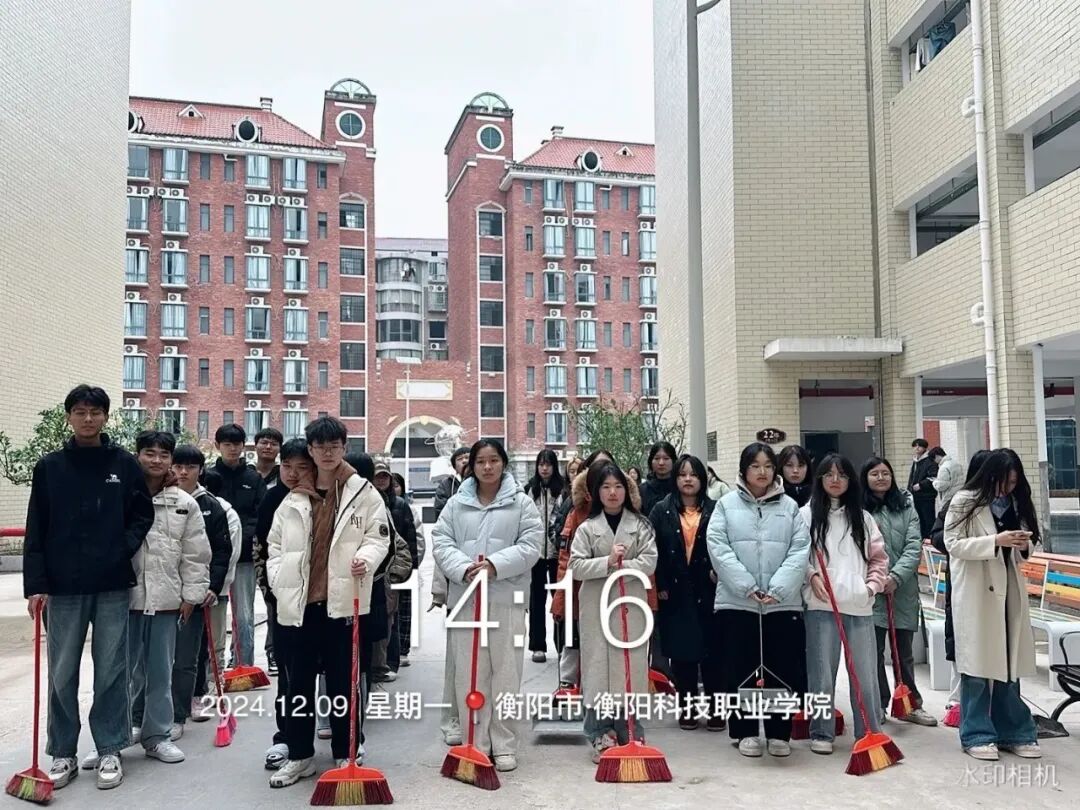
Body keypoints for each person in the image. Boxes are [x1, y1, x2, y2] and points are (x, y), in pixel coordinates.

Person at [23, 385, 153, 791]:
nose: (88, 419)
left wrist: (121, 548)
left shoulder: (123, 464)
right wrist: (35, 585)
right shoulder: (50, 467)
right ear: (69, 417)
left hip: (111, 583)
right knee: (61, 672)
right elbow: (36, 526)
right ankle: (63, 752)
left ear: (105, 417)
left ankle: (110, 748)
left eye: (95, 412)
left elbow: (142, 513)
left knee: (112, 670)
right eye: (80, 412)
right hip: (63, 586)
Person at [266, 417, 390, 788]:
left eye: (334, 446)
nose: (327, 453)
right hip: (299, 606)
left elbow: (378, 537)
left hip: (343, 605)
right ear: (311, 449)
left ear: (344, 447)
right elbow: (274, 545)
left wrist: (366, 559)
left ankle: (345, 752)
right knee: (298, 685)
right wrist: (279, 580)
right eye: (320, 446)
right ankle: (300, 755)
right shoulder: (294, 496)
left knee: (343, 684)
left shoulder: (363, 491)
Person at [432, 439, 542, 773]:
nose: (487, 467)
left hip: (506, 599)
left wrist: (494, 565)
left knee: (506, 672)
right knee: (469, 674)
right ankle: (475, 742)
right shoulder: (456, 504)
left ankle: (504, 742)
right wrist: (464, 567)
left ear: (504, 463)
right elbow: (441, 540)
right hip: (467, 598)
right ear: (472, 466)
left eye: (494, 460)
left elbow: (531, 545)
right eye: (481, 461)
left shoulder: (521, 503)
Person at [707, 443, 809, 757]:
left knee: (781, 667)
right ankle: (746, 731)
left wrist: (778, 588)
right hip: (738, 602)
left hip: (781, 603)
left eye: (767, 465)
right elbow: (718, 547)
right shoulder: (725, 505)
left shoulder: (789, 507)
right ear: (744, 470)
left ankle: (779, 732)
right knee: (741, 666)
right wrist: (746, 585)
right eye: (755, 465)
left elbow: (799, 550)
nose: (762, 472)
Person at [944, 449, 1041, 761]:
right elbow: (952, 543)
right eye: (1003, 482)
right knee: (977, 667)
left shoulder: (1016, 502)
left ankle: (1015, 732)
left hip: (1008, 590)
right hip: (976, 592)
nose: (1007, 488)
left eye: (1013, 482)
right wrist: (995, 541)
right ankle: (977, 734)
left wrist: (1023, 544)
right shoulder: (965, 501)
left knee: (1008, 664)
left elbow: (1028, 546)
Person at [127, 431, 211, 765]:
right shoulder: (123, 495)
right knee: (121, 672)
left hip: (166, 599)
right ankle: (119, 733)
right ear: (137, 455)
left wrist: (191, 595)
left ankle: (158, 735)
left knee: (161, 672)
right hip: (125, 599)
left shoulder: (183, 503)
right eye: (149, 453)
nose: (157, 460)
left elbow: (196, 555)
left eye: (164, 455)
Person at [569, 464, 657, 763]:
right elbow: (576, 566)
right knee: (597, 666)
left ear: (627, 490)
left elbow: (649, 562)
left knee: (628, 665)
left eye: (618, 486)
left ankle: (629, 729)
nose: (612, 493)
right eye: (606, 487)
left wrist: (622, 566)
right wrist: (607, 562)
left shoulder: (641, 525)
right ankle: (599, 732)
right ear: (596, 492)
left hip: (630, 603)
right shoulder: (587, 528)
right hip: (597, 604)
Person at [802, 453, 888, 756]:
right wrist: (811, 575)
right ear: (820, 479)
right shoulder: (805, 516)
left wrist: (870, 588)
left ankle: (869, 731)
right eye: (828, 474)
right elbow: (796, 555)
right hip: (821, 605)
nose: (835, 480)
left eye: (842, 475)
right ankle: (821, 731)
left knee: (865, 675)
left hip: (859, 607)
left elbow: (879, 559)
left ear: (851, 480)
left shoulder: (864, 518)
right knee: (821, 675)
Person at [862, 456, 937, 727]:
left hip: (902, 591)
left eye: (885, 473)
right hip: (870, 591)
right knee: (872, 653)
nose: (881, 478)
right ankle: (878, 705)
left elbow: (914, 545)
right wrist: (875, 579)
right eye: (874, 473)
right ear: (865, 478)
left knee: (903, 653)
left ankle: (909, 704)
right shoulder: (858, 508)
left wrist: (895, 577)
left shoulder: (906, 505)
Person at [651, 455, 721, 731]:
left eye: (693, 474)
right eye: (682, 475)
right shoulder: (662, 510)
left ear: (702, 479)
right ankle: (687, 709)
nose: (688, 479)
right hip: (675, 592)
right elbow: (654, 550)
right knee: (682, 655)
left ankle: (716, 710)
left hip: (710, 589)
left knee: (713, 653)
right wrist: (661, 584)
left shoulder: (716, 509)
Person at [256, 439, 314, 770]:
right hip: (283, 600)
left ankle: (340, 735)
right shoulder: (272, 499)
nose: (292, 474)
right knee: (289, 674)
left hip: (320, 601)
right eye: (287, 466)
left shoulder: (323, 496)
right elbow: (262, 550)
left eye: (301, 467)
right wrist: (272, 591)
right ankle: (286, 737)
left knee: (324, 671)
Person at [169, 445, 233, 740]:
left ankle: (187, 704)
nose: (183, 472)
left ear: (200, 470)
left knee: (191, 652)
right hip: (164, 589)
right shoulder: (158, 498)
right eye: (178, 466)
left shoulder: (211, 505)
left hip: (196, 591)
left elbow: (221, 551)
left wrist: (213, 587)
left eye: (190, 467)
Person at [551, 450, 619, 690]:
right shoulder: (577, 509)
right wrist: (561, 597)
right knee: (574, 639)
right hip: (581, 587)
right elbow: (565, 558)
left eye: (608, 466)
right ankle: (569, 686)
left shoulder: (628, 509)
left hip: (618, 590)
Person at [930, 449, 994, 698]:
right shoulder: (959, 502)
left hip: (996, 583)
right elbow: (939, 537)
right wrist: (970, 545)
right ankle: (958, 702)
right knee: (962, 640)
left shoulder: (1004, 503)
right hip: (964, 579)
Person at [212, 424, 267, 668]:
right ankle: (212, 668)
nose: (232, 449)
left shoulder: (253, 479)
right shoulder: (208, 477)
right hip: (213, 559)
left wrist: (242, 542)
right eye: (227, 444)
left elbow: (259, 516)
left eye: (237, 444)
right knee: (213, 614)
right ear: (218, 446)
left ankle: (244, 666)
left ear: (244, 446)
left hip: (244, 558)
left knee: (244, 614)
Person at [190, 469, 241, 725]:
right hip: (191, 588)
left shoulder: (223, 511)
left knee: (215, 643)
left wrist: (218, 584)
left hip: (216, 590)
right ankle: (195, 689)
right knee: (196, 645)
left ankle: (214, 685)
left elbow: (229, 551)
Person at [372, 460, 418, 682]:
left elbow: (410, 537)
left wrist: (409, 569)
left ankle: (391, 662)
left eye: (385, 476)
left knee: (394, 617)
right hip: (375, 571)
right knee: (383, 618)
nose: (381, 480)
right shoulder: (369, 502)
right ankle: (380, 664)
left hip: (396, 571)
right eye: (377, 476)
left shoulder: (399, 504)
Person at [527, 449, 566, 663]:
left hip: (556, 554)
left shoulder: (563, 490)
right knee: (536, 601)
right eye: (541, 464)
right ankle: (537, 646)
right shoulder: (529, 489)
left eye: (548, 464)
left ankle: (562, 646)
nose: (544, 468)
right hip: (535, 555)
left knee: (559, 600)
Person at [253, 427, 283, 673]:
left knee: (274, 601)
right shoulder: (247, 474)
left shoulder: (284, 476)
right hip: (245, 546)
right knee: (242, 609)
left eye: (273, 443)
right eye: (264, 442)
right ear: (255, 445)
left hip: (273, 546)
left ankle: (273, 651)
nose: (268, 447)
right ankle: (238, 657)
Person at [391, 471, 424, 663]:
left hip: (405, 568)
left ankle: (403, 649)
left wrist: (411, 565)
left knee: (403, 611)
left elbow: (418, 540)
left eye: (396, 485)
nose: (393, 488)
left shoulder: (407, 508)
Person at [907, 438, 939, 539]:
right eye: (915, 446)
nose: (917, 448)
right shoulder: (915, 461)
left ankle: (930, 539)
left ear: (924, 448)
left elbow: (934, 477)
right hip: (916, 496)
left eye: (919, 446)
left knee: (928, 519)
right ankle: (922, 539)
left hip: (927, 496)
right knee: (919, 519)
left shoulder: (930, 461)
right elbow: (912, 477)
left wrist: (921, 485)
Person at [640, 441, 679, 516]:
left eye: (666, 458)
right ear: (651, 461)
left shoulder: (680, 487)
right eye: (657, 458)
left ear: (673, 461)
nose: (661, 463)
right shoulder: (642, 490)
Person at [433, 446, 469, 521]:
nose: (464, 461)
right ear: (455, 467)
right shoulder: (446, 485)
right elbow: (440, 511)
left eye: (467, 457)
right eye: (460, 459)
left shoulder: (483, 482)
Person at [931, 446, 964, 513]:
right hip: (958, 494)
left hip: (948, 497)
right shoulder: (956, 463)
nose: (934, 461)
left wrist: (934, 482)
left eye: (933, 459)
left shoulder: (943, 467)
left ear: (937, 456)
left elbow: (941, 486)